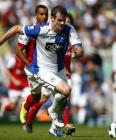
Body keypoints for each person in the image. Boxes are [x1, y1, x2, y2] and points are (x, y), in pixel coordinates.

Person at [0, 5, 83, 137]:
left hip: (58, 69)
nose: (63, 23)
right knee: (42, 96)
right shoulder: (39, 29)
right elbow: (16, 31)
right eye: (60, 20)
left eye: (64, 20)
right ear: (52, 19)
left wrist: (77, 52)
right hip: (38, 70)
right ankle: (34, 111)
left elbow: (79, 49)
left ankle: (54, 119)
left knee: (63, 95)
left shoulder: (69, 29)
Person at [16, 4, 49, 133]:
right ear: (36, 15)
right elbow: (19, 52)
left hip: (48, 68)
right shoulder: (28, 31)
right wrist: (30, 66)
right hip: (33, 69)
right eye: (41, 14)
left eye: (46, 14)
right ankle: (25, 106)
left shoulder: (50, 30)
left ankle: (62, 124)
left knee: (57, 93)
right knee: (36, 98)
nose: (44, 17)